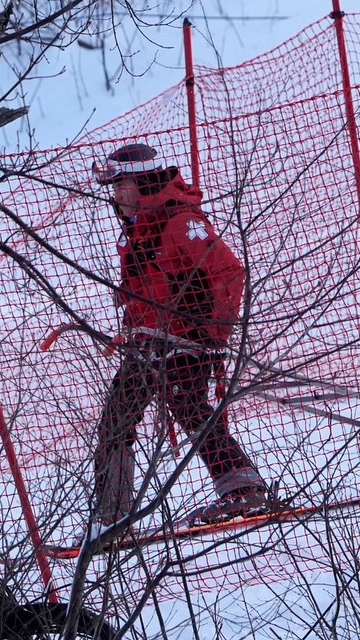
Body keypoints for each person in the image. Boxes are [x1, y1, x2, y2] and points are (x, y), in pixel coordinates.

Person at [89, 142, 268, 532]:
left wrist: (209, 332)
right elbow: (144, 289)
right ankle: (111, 516)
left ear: (144, 182)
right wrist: (132, 329)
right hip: (147, 344)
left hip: (190, 339)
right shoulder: (133, 234)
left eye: (123, 185)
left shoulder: (180, 224)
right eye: (114, 187)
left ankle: (244, 488)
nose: (116, 195)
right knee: (117, 417)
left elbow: (231, 274)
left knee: (186, 402)